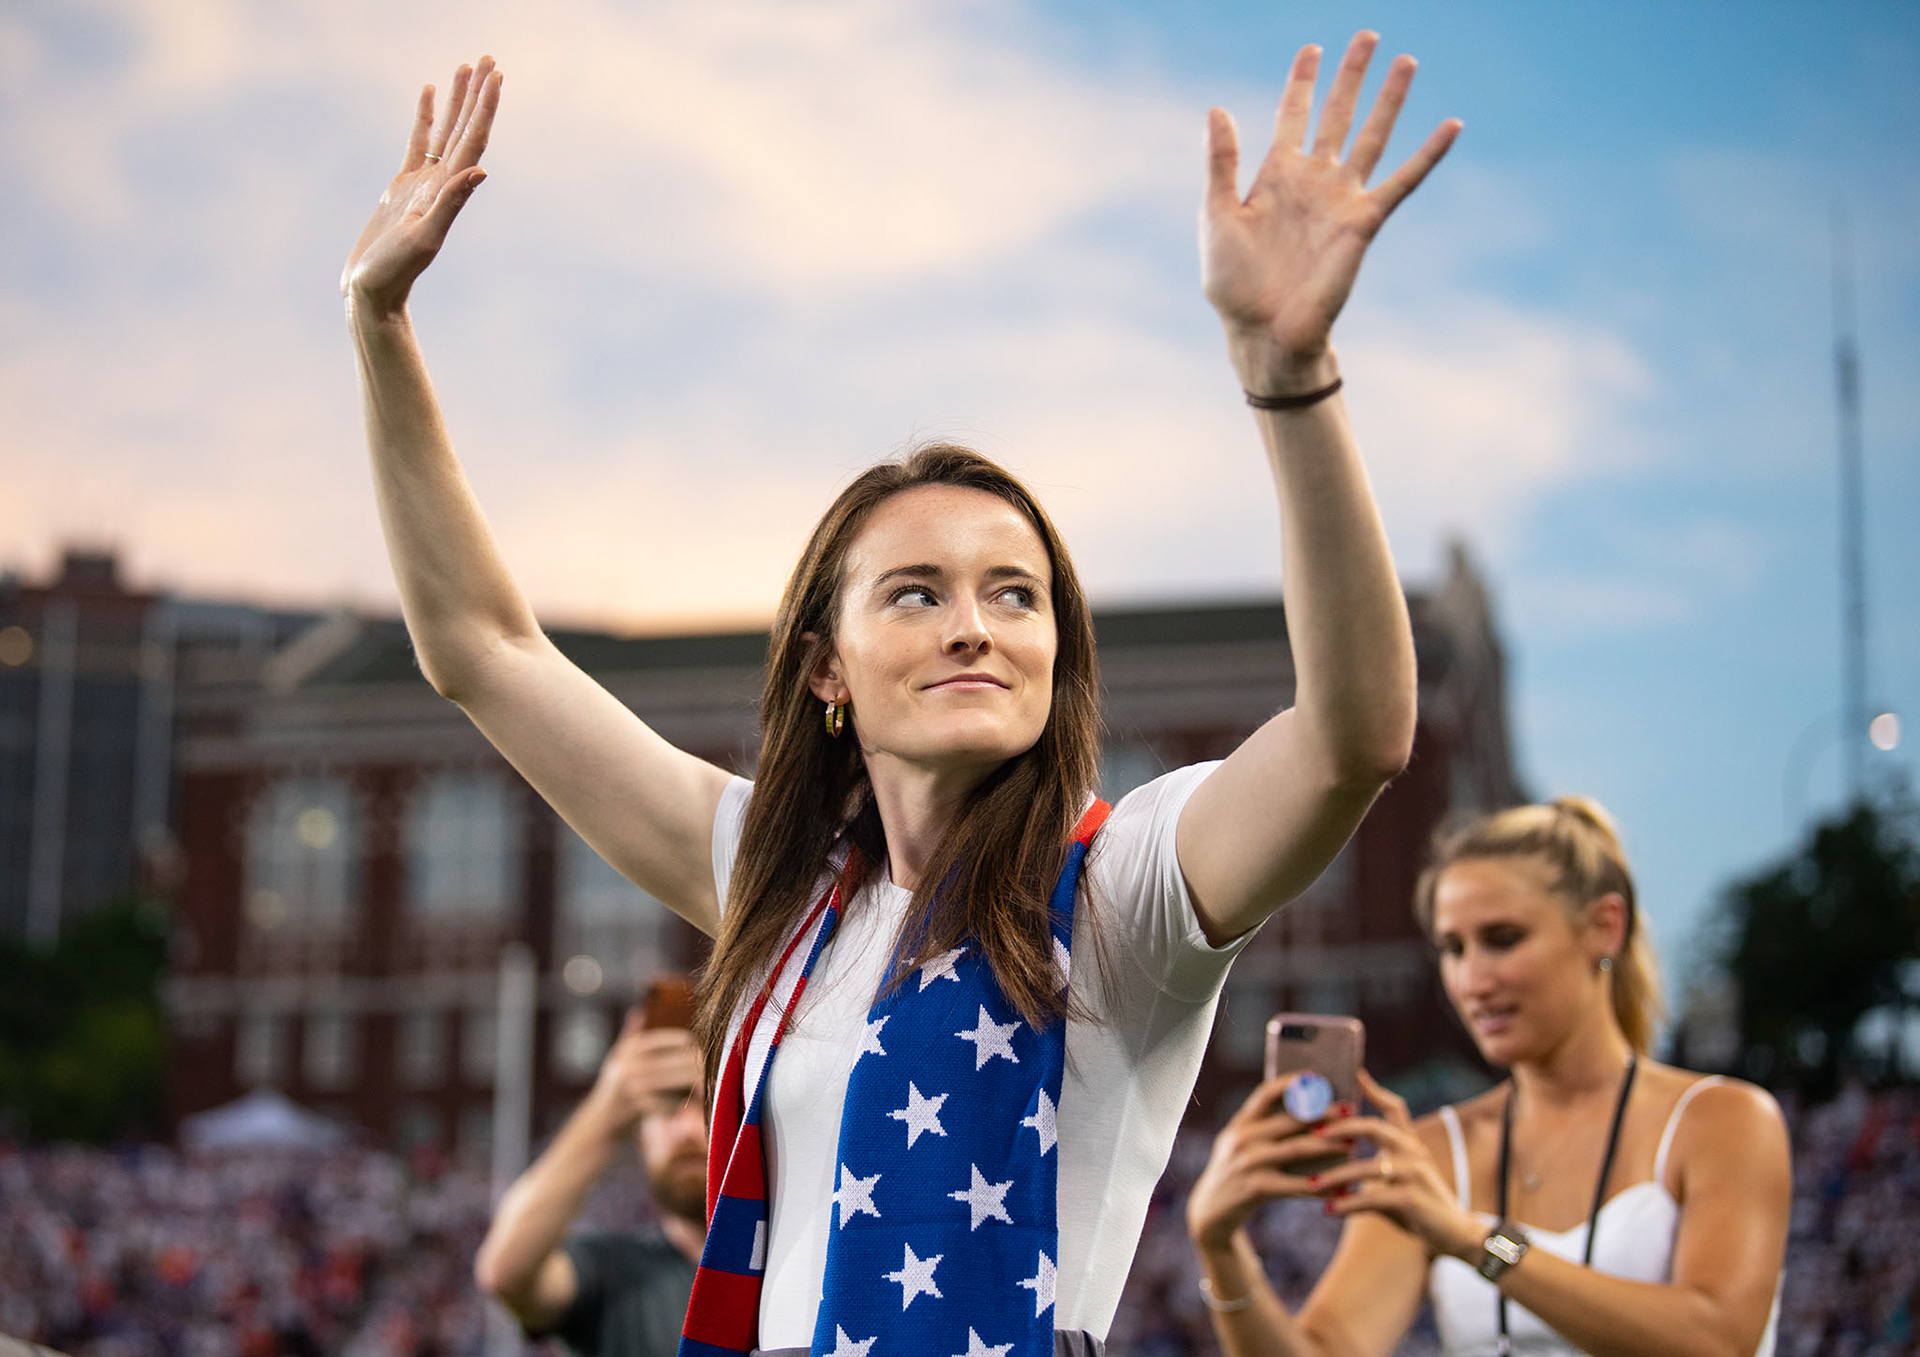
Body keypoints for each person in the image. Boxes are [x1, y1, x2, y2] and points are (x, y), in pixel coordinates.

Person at [341, 31, 1456, 1357]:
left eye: (1016, 593)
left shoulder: (1127, 891)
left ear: (1058, 653)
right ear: (828, 666)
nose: (974, 626)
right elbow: (482, 649)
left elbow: (1354, 737)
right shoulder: (779, 886)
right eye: (916, 592)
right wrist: (378, 321)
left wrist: (1289, 383)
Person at [1186, 797, 1792, 1357]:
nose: (1472, 981)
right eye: (1453, 948)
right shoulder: (1431, 1154)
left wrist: (1476, 1241)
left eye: (1503, 940)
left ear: (1606, 926)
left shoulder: (1723, 1121)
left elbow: (1719, 1339)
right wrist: (1222, 1248)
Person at [474, 980, 706, 1356]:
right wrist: (610, 1104)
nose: (688, 1128)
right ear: (639, 1136)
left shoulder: (795, 1270)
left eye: (708, 1104)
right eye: (669, 1103)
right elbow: (504, 1272)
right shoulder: (612, 1270)